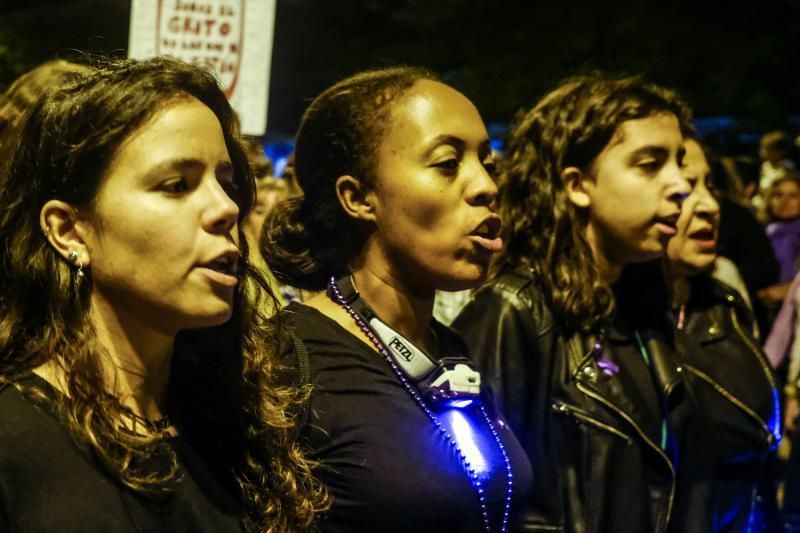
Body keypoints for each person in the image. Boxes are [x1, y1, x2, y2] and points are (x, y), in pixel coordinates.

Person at [0, 57, 325, 532]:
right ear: (70, 230)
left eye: (228, 183)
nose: (226, 208)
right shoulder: (14, 443)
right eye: (176, 185)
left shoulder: (239, 423)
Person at [262, 66, 532, 532]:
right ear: (359, 197)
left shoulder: (450, 350)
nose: (487, 186)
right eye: (448, 163)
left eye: (488, 164)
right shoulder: (286, 361)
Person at [452, 73, 692, 532]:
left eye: (679, 162)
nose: (680, 185)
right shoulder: (513, 312)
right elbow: (479, 500)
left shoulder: (640, 310)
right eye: (649, 164)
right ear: (578, 184)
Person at [666, 137, 780, 532]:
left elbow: (756, 428)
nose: (710, 205)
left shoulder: (722, 295)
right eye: (682, 187)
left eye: (708, 185)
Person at [759, 175, 800, 308]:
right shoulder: (762, 231)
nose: (784, 201)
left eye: (793, 196)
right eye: (778, 195)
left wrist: (786, 290)